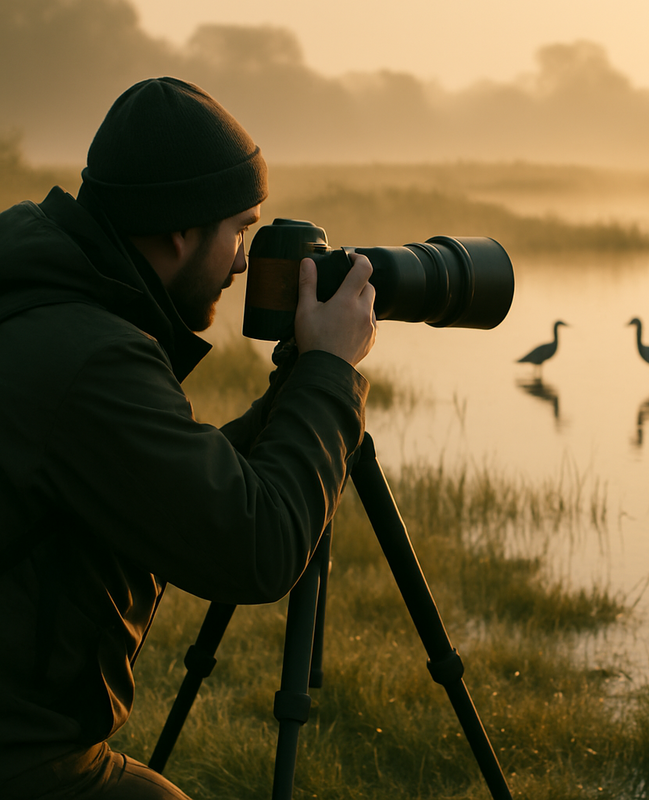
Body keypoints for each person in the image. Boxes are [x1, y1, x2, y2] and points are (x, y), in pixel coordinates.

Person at [0, 77, 377, 798]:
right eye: (238, 230)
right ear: (177, 231)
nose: (243, 261)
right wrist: (329, 372)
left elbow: (169, 477)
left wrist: (292, 389)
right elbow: (255, 548)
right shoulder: (90, 356)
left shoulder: (42, 296)